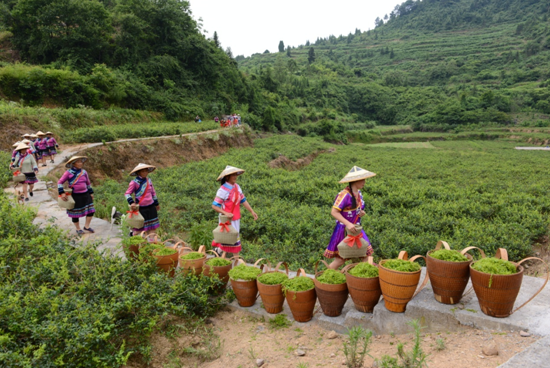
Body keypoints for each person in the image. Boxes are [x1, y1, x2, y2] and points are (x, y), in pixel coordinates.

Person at [325, 166, 375, 270]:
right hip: (344, 230)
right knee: (340, 259)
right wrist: (348, 223)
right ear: (354, 181)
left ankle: (364, 280)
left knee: (366, 255)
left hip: (356, 229)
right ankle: (322, 280)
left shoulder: (359, 194)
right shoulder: (344, 195)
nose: (364, 182)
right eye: (362, 179)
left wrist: (360, 212)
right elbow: (334, 212)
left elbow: (353, 210)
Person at [211, 165, 258, 257]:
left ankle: (218, 251)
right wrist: (226, 213)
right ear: (227, 177)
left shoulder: (237, 187)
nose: (235, 176)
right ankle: (236, 261)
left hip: (236, 219)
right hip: (227, 220)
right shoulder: (223, 190)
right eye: (233, 175)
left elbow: (243, 200)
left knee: (230, 239)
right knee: (229, 240)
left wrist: (252, 211)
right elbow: (214, 206)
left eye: (236, 174)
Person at [58, 156, 96, 235]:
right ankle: (78, 228)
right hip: (75, 196)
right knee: (75, 214)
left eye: (81, 162)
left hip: (85, 194)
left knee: (91, 211)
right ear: (73, 164)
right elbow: (60, 182)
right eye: (78, 162)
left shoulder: (84, 172)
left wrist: (91, 193)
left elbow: (88, 183)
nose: (80, 163)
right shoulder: (68, 173)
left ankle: (87, 226)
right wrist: (62, 193)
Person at [125, 163, 160, 236]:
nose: (145, 173)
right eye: (143, 171)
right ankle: (137, 242)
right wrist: (131, 203)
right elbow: (127, 194)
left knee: (152, 229)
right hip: (141, 209)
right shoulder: (134, 183)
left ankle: (151, 245)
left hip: (151, 207)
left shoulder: (149, 181)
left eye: (146, 171)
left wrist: (156, 204)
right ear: (138, 172)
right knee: (140, 230)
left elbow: (153, 193)